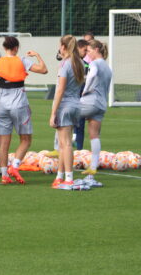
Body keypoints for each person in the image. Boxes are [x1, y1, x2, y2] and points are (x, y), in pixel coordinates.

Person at [0, 36, 48, 184]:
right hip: (19, 105)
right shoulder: (22, 60)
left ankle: (5, 175)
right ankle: (15, 166)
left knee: (4, 141)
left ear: (5, 48)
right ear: (16, 48)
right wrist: (37, 55)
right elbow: (44, 70)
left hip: (2, 106)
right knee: (26, 140)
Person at [50, 35, 88, 190]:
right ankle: (60, 176)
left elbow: (60, 90)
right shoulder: (79, 62)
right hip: (76, 104)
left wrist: (53, 113)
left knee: (65, 144)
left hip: (65, 106)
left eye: (60, 46)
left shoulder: (65, 64)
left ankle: (69, 178)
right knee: (62, 143)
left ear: (64, 47)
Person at [77, 39, 112, 188]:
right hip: (101, 104)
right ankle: (92, 171)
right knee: (94, 135)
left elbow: (92, 76)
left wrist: (85, 90)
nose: (87, 54)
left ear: (97, 49)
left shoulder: (95, 64)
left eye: (89, 51)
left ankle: (58, 150)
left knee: (61, 116)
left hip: (90, 101)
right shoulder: (108, 68)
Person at [74, 39, 90, 150]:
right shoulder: (70, 62)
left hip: (81, 100)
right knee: (67, 128)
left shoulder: (87, 65)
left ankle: (78, 152)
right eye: (85, 50)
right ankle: (68, 152)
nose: (86, 53)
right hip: (72, 100)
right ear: (78, 48)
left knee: (79, 127)